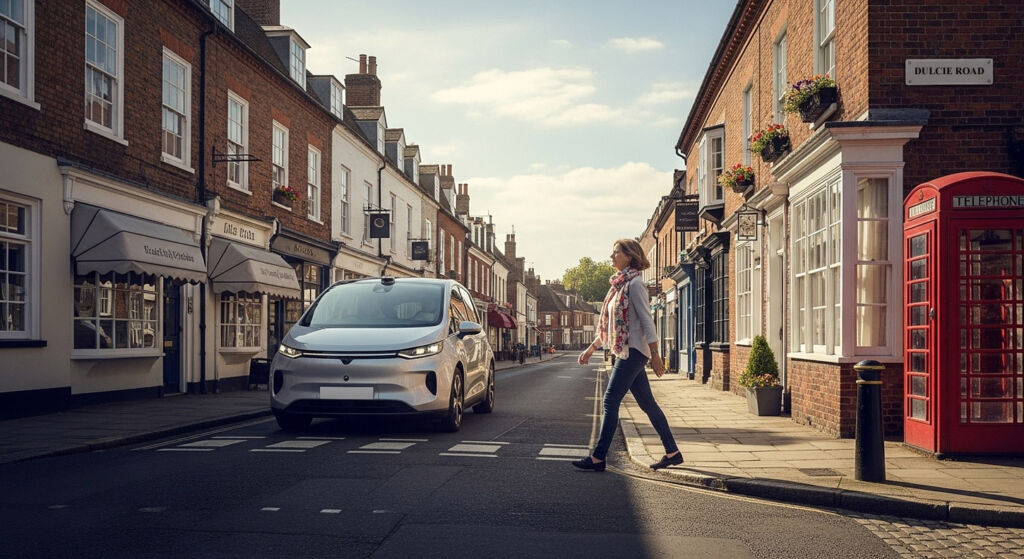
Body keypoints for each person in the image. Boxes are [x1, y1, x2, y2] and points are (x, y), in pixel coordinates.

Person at [572, 238, 683, 472]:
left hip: (633, 352)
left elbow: (646, 321)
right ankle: (672, 452)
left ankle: (598, 457)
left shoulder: (635, 285)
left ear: (629, 256)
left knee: (610, 400)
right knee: (648, 404)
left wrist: (655, 354)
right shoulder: (618, 286)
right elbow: (609, 326)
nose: (611, 257)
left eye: (616, 253)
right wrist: (591, 349)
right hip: (626, 350)